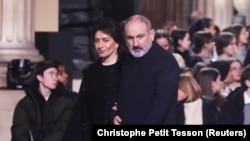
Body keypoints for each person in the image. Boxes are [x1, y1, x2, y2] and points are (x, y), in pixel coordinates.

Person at [63, 18, 127, 141]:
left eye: (105, 40)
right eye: (97, 41)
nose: (100, 45)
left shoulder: (126, 69)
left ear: (117, 42)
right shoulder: (91, 71)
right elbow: (81, 108)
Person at [113, 15, 180, 125]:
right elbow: (116, 95)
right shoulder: (126, 60)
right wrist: (113, 115)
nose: (135, 44)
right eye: (130, 38)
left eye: (140, 37)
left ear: (151, 35)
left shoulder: (166, 62)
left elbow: (160, 107)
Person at [11, 61, 73, 141]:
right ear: (40, 77)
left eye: (56, 74)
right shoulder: (25, 104)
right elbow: (19, 131)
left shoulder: (65, 103)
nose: (55, 78)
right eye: (51, 74)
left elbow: (62, 130)